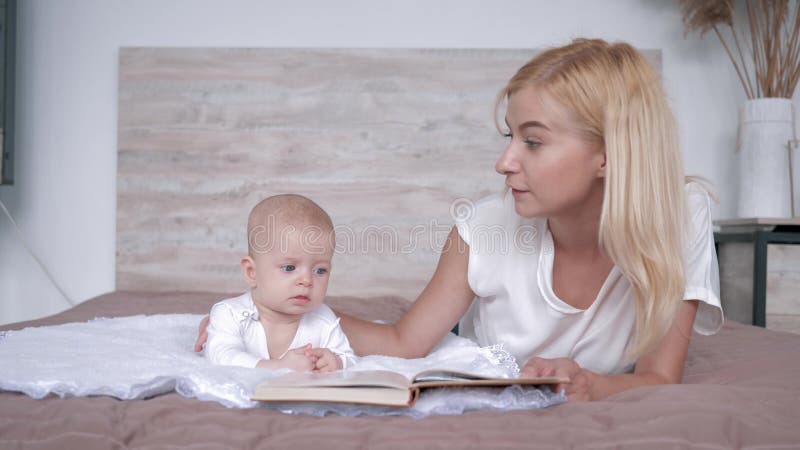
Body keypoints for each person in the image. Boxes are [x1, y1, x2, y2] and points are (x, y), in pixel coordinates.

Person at [196, 38, 722, 400]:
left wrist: (593, 384)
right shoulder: (483, 227)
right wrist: (272, 318)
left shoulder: (682, 216)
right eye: (509, 137)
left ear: (608, 154)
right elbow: (404, 343)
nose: (504, 162)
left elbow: (658, 375)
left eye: (533, 142)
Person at [203, 194, 356, 372]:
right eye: (289, 268)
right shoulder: (230, 313)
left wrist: (336, 361)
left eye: (320, 271)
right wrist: (277, 366)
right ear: (252, 272)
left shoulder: (323, 320)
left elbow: (349, 357)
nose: (306, 281)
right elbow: (220, 355)